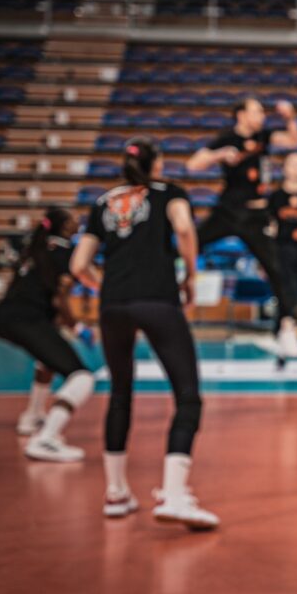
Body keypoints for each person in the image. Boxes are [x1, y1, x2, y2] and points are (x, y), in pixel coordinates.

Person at [71, 137, 218, 530]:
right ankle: (174, 494)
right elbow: (184, 228)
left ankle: (116, 493)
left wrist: (105, 287)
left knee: (120, 395)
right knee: (187, 396)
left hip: (113, 305)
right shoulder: (169, 192)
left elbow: (79, 264)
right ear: (158, 163)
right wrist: (190, 274)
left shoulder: (103, 201)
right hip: (157, 298)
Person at [185, 97, 297, 358]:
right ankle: (173, 287)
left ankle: (286, 327)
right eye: (257, 111)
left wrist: (290, 118)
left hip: (256, 215)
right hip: (228, 211)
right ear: (241, 115)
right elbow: (193, 164)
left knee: (277, 269)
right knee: (191, 243)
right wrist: (219, 155)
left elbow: (294, 141)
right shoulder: (227, 138)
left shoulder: (263, 136)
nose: (262, 115)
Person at [0, 207, 95, 462]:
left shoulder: (34, 249)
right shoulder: (66, 254)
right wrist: (78, 327)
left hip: (4, 316)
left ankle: (32, 416)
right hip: (27, 319)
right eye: (73, 220)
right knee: (82, 378)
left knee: (46, 360)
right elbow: (60, 300)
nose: (78, 222)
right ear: (64, 227)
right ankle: (46, 439)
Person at [268, 152, 297, 322]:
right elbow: (270, 226)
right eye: (292, 164)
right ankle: (286, 320)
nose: (296, 169)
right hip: (282, 250)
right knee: (284, 284)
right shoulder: (275, 197)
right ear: (284, 168)